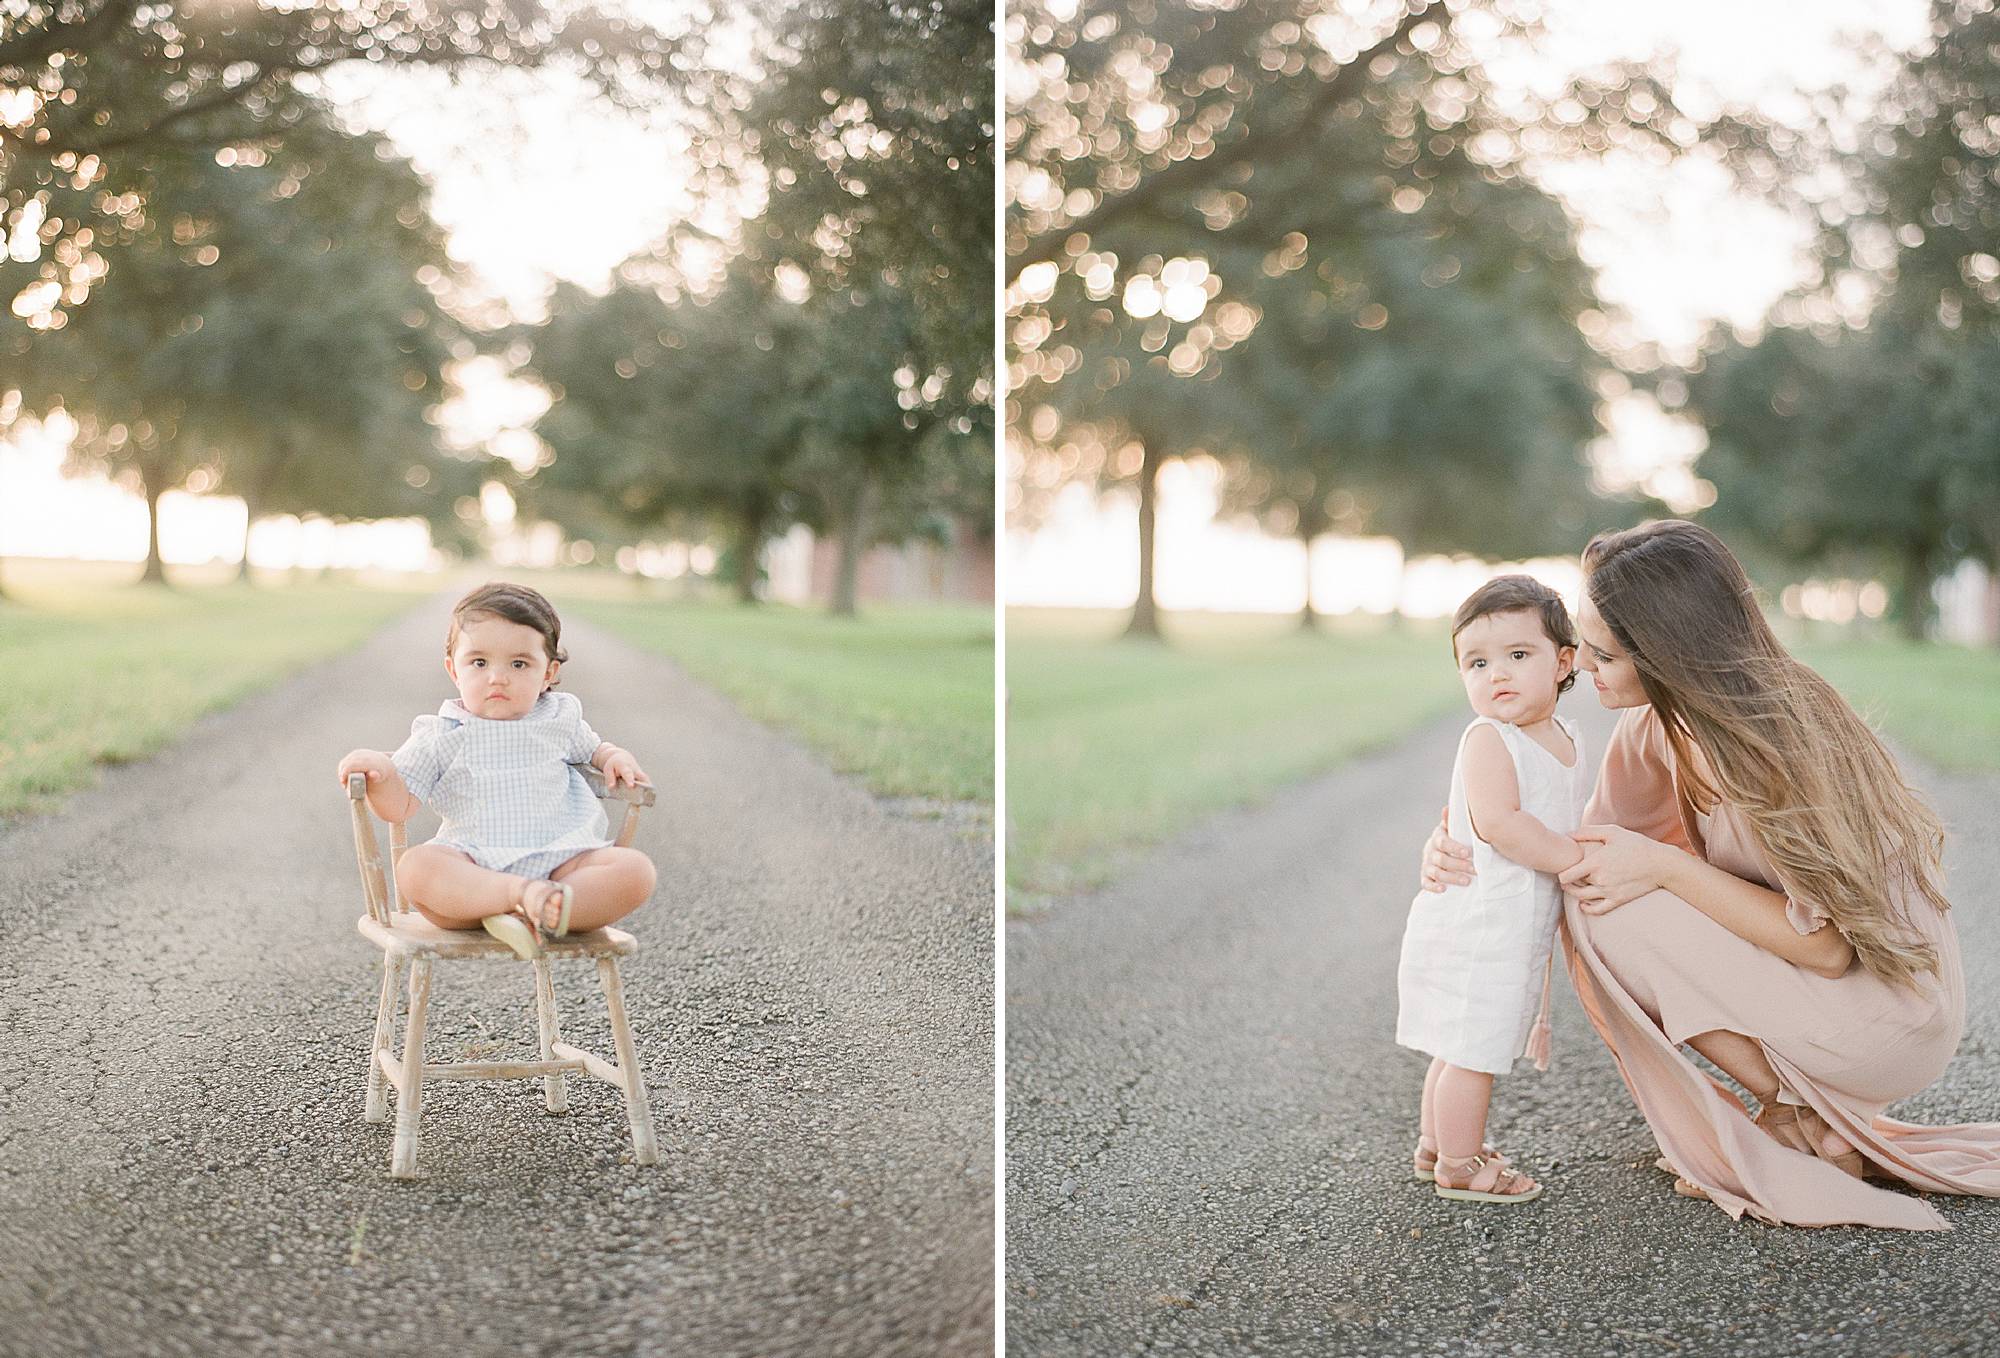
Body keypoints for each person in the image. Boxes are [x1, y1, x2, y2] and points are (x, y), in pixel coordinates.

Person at [1420, 520, 2000, 1229]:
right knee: (1595, 890)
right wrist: (1460, 834)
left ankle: (1798, 1113)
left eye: (1601, 655)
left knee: (1609, 900)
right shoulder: (1657, 724)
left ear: (1665, 653)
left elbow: (1828, 947)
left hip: (1890, 1009)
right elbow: (1581, 849)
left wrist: (1664, 865)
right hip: (1820, 987)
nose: (1583, 669)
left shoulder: (1777, 737)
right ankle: (1790, 1110)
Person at [1397, 575, 1591, 1205]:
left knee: (1462, 1041)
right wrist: (1575, 862)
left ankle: (1434, 1145)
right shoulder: (1489, 738)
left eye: (1517, 655)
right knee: (1472, 1049)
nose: (1496, 674)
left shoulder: (1568, 740)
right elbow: (1501, 825)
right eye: (1476, 663)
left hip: (1511, 923)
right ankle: (1458, 1163)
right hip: (1481, 924)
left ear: (1564, 662)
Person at [337, 582, 657, 959]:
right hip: (473, 866)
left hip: (563, 860)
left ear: (548, 673)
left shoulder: (559, 716)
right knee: (417, 868)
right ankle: (516, 898)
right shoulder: (442, 732)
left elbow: (594, 748)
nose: (498, 677)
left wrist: (612, 756)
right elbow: (400, 806)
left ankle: (547, 909)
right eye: (479, 662)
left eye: (519, 664)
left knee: (636, 872)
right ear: (453, 671)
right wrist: (382, 774)